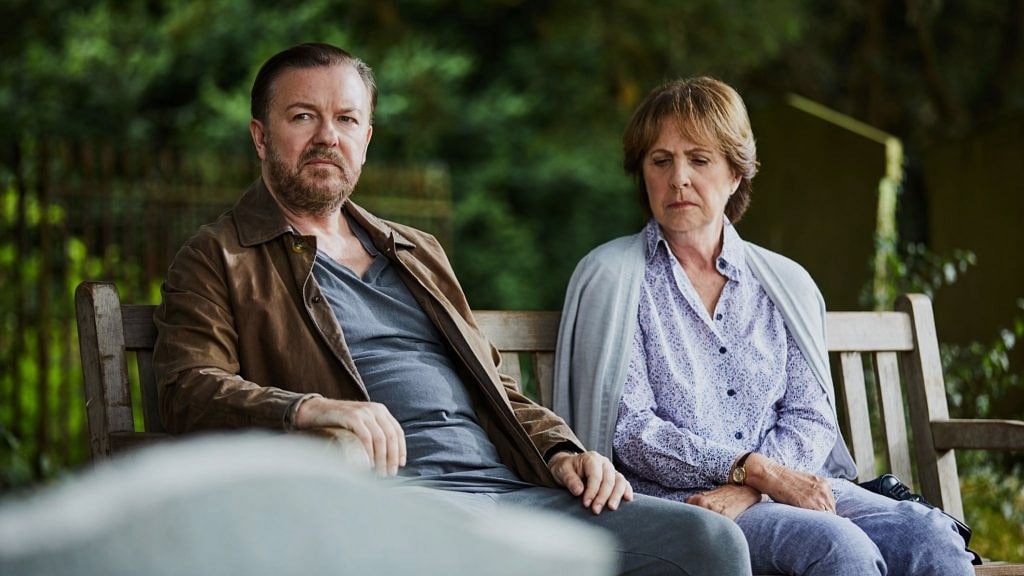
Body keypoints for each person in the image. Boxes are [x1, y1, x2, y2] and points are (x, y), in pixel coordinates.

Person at [152, 43, 752, 575]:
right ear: (261, 136)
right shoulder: (220, 256)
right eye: (303, 116)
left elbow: (496, 385)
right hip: (388, 504)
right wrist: (311, 410)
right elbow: (186, 388)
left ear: (366, 138)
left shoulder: (415, 251)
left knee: (707, 540)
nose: (327, 136)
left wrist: (562, 452)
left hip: (511, 492)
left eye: (346, 119)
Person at [552, 76, 976, 575]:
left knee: (932, 539)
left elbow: (810, 418)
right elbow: (633, 432)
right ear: (642, 173)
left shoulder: (783, 283)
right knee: (838, 547)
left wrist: (753, 486)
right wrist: (753, 472)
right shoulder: (614, 278)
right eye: (660, 161)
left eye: (699, 159)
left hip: (785, 489)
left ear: (735, 174)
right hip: (680, 505)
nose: (679, 178)